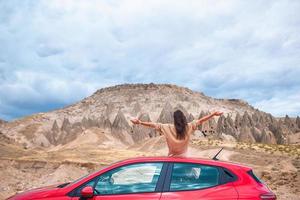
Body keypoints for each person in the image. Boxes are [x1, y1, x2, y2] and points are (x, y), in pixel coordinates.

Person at [131, 110, 223, 157]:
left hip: (171, 160)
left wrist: (140, 122)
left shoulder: (167, 128)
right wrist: (213, 114)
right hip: (185, 160)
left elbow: (153, 125)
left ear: (174, 119)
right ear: (183, 118)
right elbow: (201, 120)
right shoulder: (188, 127)